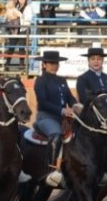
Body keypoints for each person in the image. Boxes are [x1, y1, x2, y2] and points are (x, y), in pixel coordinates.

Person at [33, 50, 77, 188]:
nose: (54, 66)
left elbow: (70, 98)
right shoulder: (40, 81)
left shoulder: (62, 80)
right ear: (44, 64)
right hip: (46, 117)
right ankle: (52, 170)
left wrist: (77, 106)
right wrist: (63, 110)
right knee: (56, 135)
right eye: (51, 63)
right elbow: (43, 102)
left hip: (63, 118)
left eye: (56, 63)